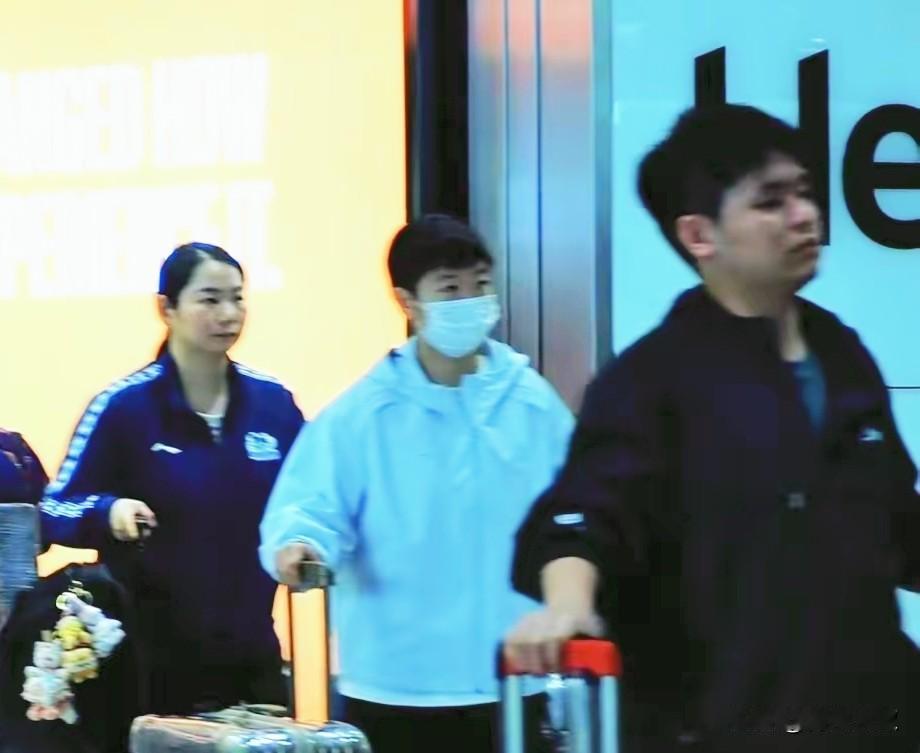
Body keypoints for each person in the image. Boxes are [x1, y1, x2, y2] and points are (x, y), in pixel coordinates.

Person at [505, 105, 920, 753]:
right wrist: (566, 604)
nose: (804, 215)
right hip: (718, 723)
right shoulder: (651, 380)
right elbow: (584, 516)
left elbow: (895, 522)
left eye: (805, 192)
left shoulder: (843, 355)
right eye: (771, 202)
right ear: (700, 234)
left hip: (876, 721)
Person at [260, 215, 574, 753]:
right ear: (408, 302)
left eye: (480, 284)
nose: (470, 301)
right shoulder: (365, 413)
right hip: (396, 685)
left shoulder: (531, 401)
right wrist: (301, 546)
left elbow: (577, 505)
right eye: (450, 288)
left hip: (515, 676)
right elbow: (309, 507)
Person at [40, 242, 305, 715]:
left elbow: (312, 496)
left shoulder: (273, 404)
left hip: (252, 656)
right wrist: (109, 511)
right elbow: (54, 509)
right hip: (149, 664)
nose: (229, 314)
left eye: (237, 298)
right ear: (167, 308)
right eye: (210, 299)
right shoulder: (124, 406)